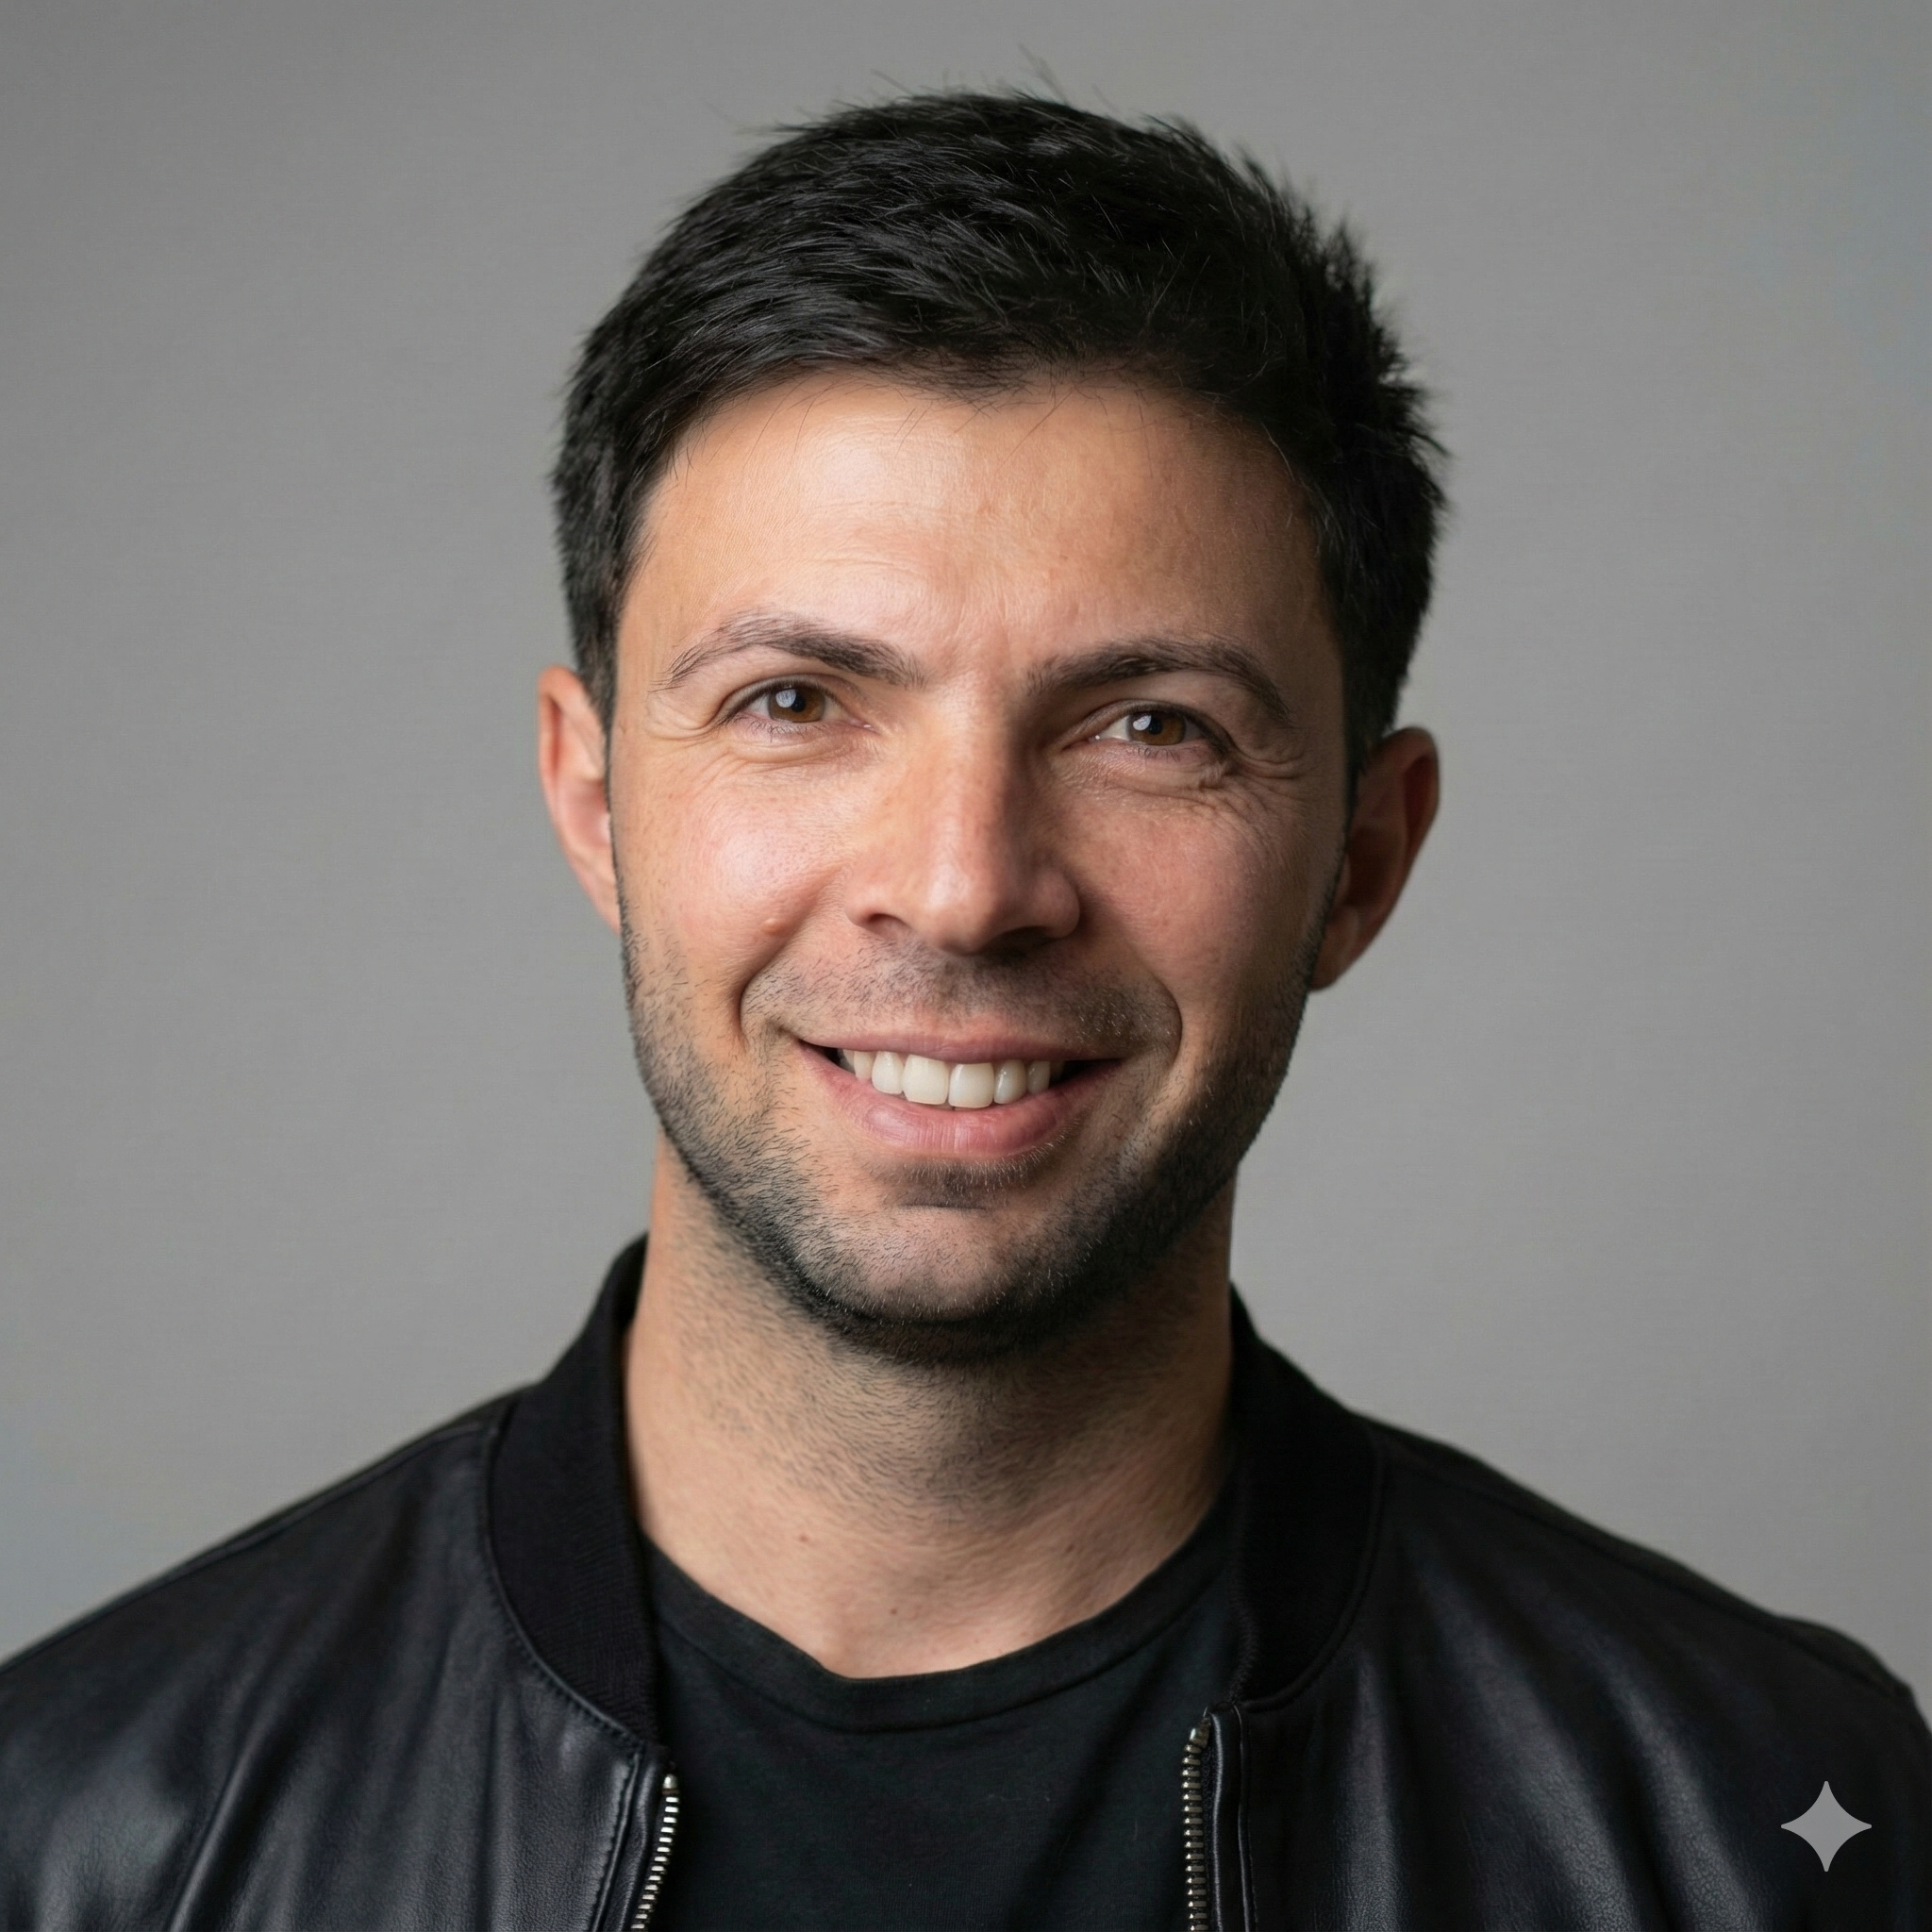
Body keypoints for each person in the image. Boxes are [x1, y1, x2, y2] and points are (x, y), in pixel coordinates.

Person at [1, 91, 1924, 1931]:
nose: (963, 883)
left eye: (1150, 726)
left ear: (1360, 858)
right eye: (794, 703)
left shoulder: (1767, 1828)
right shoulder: (81, 1835)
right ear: (594, 802)